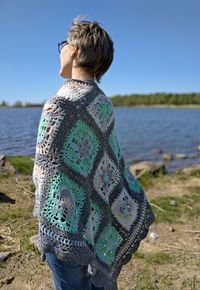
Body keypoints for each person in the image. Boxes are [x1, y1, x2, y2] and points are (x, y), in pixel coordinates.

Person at [32, 16, 154, 290]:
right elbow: (111, 166)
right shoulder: (103, 105)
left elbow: (44, 174)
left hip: (64, 227)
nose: (61, 49)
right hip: (98, 221)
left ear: (73, 50)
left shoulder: (57, 106)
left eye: (63, 44)